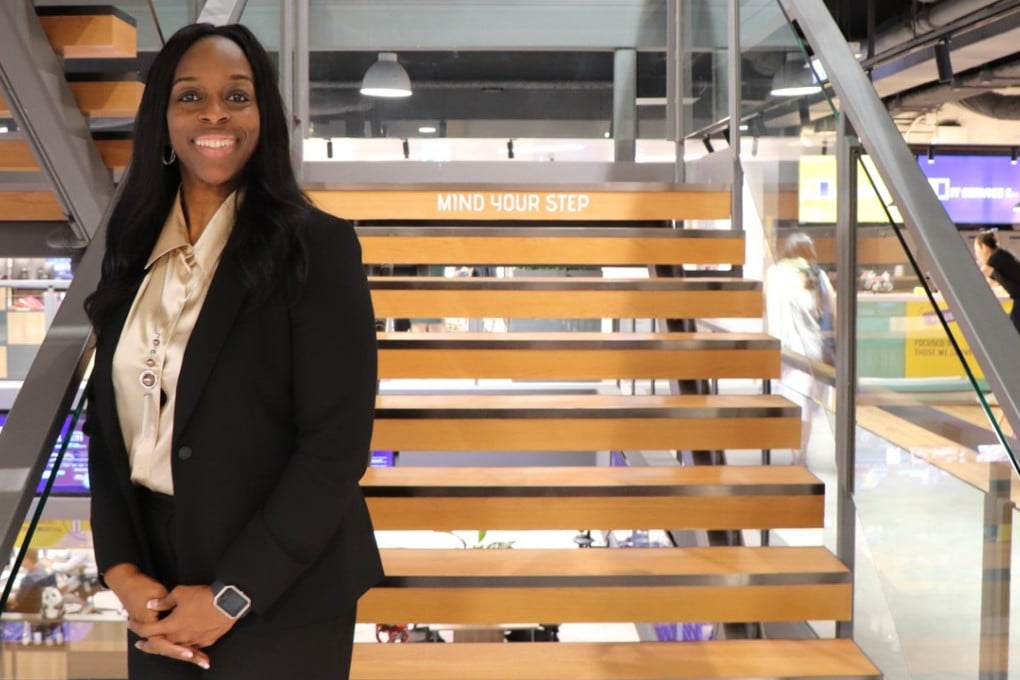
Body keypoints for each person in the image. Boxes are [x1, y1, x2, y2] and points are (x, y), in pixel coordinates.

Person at [83, 23, 382, 679]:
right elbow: (107, 430)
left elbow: (334, 446)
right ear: (162, 119)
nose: (214, 113)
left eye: (236, 96)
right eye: (190, 97)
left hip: (281, 599)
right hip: (158, 601)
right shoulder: (132, 255)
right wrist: (121, 568)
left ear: (262, 115)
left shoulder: (316, 250)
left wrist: (233, 593)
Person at [974, 229, 1020, 334]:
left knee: (1013, 330)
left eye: (977, 251)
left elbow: (978, 276)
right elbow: (991, 282)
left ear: (985, 247)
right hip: (1018, 299)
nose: (977, 255)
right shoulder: (998, 262)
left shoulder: (997, 255)